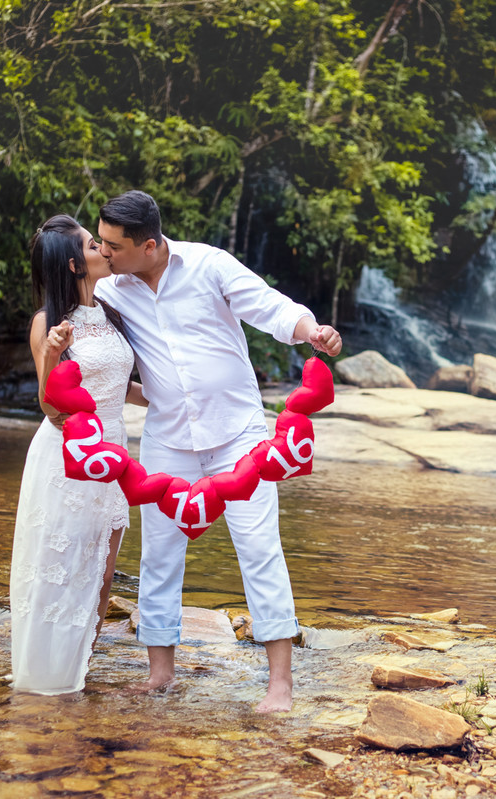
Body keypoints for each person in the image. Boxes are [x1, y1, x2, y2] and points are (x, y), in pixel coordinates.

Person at [93, 190, 341, 713]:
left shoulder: (208, 264)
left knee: (258, 549)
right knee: (160, 555)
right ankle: (161, 674)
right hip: (167, 437)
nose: (105, 252)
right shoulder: (113, 290)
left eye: (114, 244)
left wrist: (311, 331)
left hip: (238, 434)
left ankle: (280, 684)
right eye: (101, 243)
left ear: (151, 245)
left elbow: (269, 305)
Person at [10, 213, 148, 695]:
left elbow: (116, 384)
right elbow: (49, 404)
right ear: (74, 264)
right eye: (94, 245)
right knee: (60, 567)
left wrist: (168, 397)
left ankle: (78, 674)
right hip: (68, 457)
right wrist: (51, 353)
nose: (105, 249)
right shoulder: (48, 323)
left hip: (114, 455)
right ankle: (45, 681)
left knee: (101, 573)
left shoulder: (110, 312)